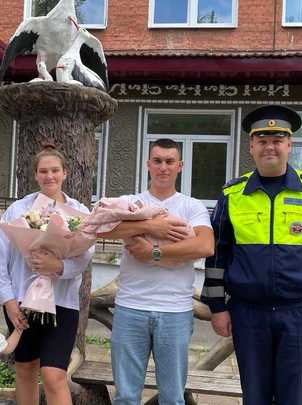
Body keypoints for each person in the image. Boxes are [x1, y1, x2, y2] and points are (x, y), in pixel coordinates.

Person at [201, 105, 302, 405]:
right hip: (248, 313)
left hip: (299, 313)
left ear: (289, 144)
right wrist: (217, 306)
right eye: (262, 140)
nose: (269, 146)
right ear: (251, 146)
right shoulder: (232, 195)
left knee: (293, 396)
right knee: (254, 395)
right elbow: (217, 255)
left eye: (277, 139)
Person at [98, 138, 215, 405]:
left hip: (175, 310)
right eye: (158, 161)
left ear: (180, 166)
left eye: (169, 161)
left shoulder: (191, 206)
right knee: (126, 396)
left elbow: (205, 245)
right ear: (148, 164)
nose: (163, 167)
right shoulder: (131, 203)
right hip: (130, 308)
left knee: (173, 398)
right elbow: (102, 228)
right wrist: (152, 227)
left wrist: (154, 253)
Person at [0, 147, 95, 405]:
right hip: (21, 303)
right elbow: (0, 259)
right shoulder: (18, 209)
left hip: (61, 303)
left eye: (55, 170)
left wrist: (57, 266)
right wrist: (9, 301)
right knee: (25, 369)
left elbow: (84, 256)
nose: (50, 176)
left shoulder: (78, 212)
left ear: (65, 173)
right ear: (36, 175)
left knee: (53, 375)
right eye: (43, 171)